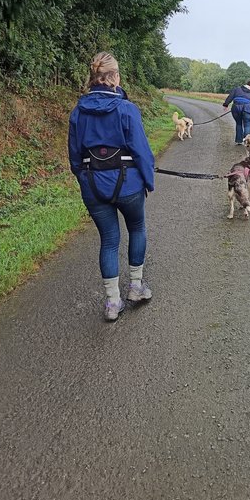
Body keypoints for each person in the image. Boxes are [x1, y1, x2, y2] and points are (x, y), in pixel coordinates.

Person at [68, 52, 155, 321]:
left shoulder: (78, 112)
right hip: (128, 185)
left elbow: (74, 157)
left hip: (93, 186)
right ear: (115, 77)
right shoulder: (127, 109)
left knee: (108, 240)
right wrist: (148, 180)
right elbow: (141, 151)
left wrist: (84, 180)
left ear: (92, 78)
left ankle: (112, 302)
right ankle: (137, 287)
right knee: (137, 228)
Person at [223, 80, 250, 146]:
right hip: (247, 108)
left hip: (236, 108)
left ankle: (239, 141)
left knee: (238, 123)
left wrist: (226, 104)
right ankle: (247, 141)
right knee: (247, 124)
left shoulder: (237, 89)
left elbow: (230, 96)